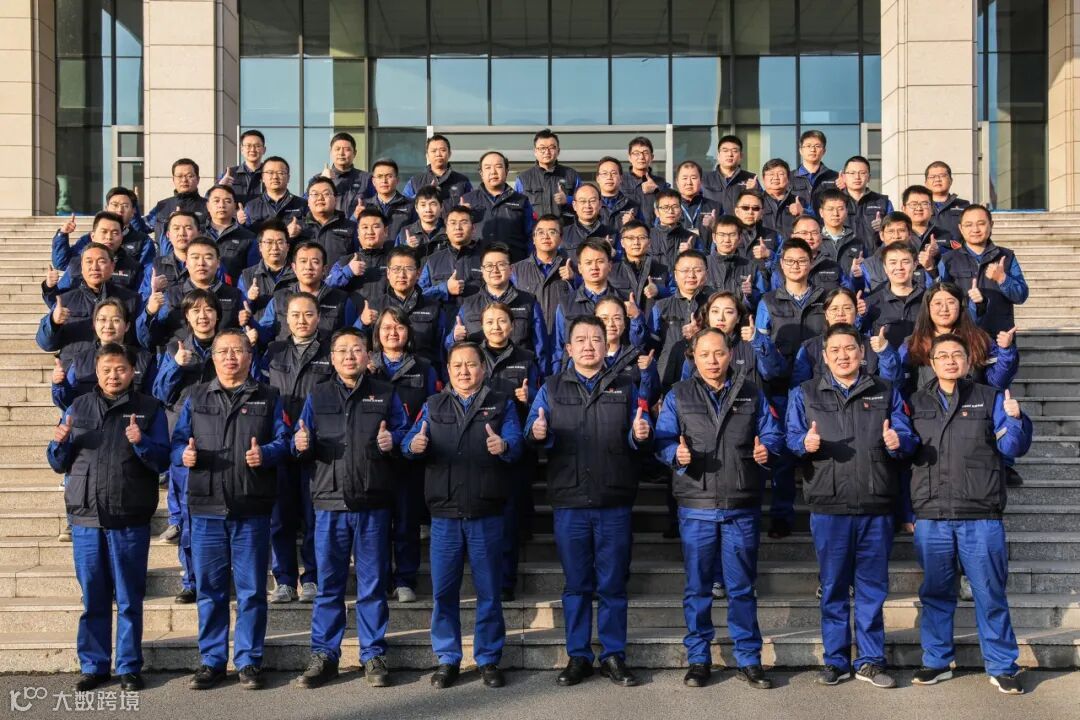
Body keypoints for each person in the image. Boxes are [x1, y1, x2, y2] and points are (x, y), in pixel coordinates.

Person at [786, 323, 917, 689]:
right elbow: (790, 437)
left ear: (862, 352)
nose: (843, 355)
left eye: (849, 349)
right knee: (833, 588)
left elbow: (906, 435)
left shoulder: (885, 390)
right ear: (824, 356)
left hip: (875, 506)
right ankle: (836, 660)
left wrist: (897, 441)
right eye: (835, 350)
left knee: (872, 589)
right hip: (829, 506)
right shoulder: (805, 393)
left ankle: (871, 660)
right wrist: (803, 444)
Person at [524, 315, 653, 688]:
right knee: (577, 584)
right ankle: (578, 655)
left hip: (613, 500)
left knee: (612, 584)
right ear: (568, 348)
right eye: (580, 340)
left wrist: (639, 435)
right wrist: (538, 432)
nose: (588, 346)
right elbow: (532, 430)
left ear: (606, 344)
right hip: (570, 501)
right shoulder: (551, 387)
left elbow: (638, 434)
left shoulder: (625, 386)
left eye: (595, 339)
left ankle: (613, 655)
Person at [654, 328, 783, 689]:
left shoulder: (751, 392)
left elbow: (772, 433)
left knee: (741, 588)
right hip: (696, 504)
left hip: (741, 503)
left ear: (731, 355)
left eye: (719, 353)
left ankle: (749, 658)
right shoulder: (678, 394)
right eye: (705, 354)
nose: (713, 361)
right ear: (693, 357)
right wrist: (674, 454)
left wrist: (767, 450)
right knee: (697, 588)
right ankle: (699, 659)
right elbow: (662, 440)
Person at [907, 333, 1031, 695]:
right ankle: (936, 661)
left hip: (981, 515)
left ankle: (1002, 665)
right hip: (932, 515)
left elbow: (1013, 446)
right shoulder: (915, 402)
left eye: (957, 355)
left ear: (968, 361)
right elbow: (903, 458)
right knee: (935, 593)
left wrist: (1016, 419)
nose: (950, 361)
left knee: (990, 594)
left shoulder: (989, 397)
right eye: (942, 355)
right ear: (931, 363)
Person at [171, 329, 291, 690]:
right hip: (206, 508)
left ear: (249, 357)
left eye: (237, 351)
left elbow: (284, 441)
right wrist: (183, 455)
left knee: (252, 590)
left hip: (251, 508)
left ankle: (249, 661)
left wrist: (265, 454)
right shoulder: (196, 397)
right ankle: (211, 660)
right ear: (213, 358)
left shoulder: (268, 396)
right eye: (222, 351)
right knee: (210, 590)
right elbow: (176, 443)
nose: (230, 357)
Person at [46, 343, 170, 693]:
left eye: (120, 369)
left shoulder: (149, 408)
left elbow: (162, 460)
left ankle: (129, 666)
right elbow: (57, 462)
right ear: (97, 372)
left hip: (129, 516)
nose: (113, 375)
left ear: (132, 372)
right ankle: (94, 666)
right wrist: (59, 443)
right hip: (86, 517)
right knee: (93, 597)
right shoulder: (78, 406)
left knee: (129, 598)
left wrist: (141, 441)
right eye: (106, 370)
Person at [291, 328, 409, 689]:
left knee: (372, 585)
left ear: (367, 355)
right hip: (329, 502)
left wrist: (393, 440)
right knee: (329, 585)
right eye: (342, 350)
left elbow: (406, 434)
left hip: (373, 501)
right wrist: (300, 444)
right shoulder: (318, 394)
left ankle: (373, 654)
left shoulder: (385, 393)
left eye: (356, 349)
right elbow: (300, 442)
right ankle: (325, 654)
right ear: (332, 357)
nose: (349, 356)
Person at [402, 342, 524, 690]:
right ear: (448, 370)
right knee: (444, 592)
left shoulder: (500, 403)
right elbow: (409, 441)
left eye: (470, 365)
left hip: (486, 511)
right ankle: (447, 658)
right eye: (457, 365)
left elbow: (516, 440)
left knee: (489, 592)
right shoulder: (433, 404)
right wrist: (413, 446)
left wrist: (504, 446)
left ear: (483, 369)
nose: (464, 371)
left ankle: (488, 658)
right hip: (445, 513)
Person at [257, 293, 333, 605]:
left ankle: (312, 577)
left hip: (317, 445)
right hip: (280, 442)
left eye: (308, 314)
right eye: (295, 315)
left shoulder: (330, 351)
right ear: (286, 319)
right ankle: (285, 580)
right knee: (280, 518)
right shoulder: (273, 351)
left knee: (313, 516)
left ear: (319, 317)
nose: (302, 320)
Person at [152, 290, 224, 603]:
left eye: (209, 309)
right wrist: (175, 366)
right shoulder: (175, 347)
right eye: (196, 310)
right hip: (186, 438)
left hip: (223, 435)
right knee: (188, 520)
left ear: (218, 314)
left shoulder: (229, 345)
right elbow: (159, 393)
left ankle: (219, 576)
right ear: (187, 316)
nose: (203, 316)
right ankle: (191, 580)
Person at [755, 238, 828, 538]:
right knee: (783, 457)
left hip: (820, 388)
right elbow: (760, 343)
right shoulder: (768, 301)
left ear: (811, 263)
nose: (796, 266)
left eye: (802, 260)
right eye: (790, 261)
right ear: (781, 265)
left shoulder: (825, 298)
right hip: (780, 389)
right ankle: (781, 516)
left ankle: (824, 514)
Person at [370, 307, 441, 602]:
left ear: (408, 332)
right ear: (377, 333)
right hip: (374, 458)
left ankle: (405, 580)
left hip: (410, 458)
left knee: (406, 522)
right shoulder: (368, 365)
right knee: (376, 526)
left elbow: (434, 407)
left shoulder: (424, 367)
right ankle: (380, 580)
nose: (393, 333)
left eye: (399, 327)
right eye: (386, 327)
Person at [477, 302, 541, 600]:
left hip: (514, 447)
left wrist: (529, 397)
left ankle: (505, 583)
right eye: (490, 321)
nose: (496, 327)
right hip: (477, 444)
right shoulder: (472, 355)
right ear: (482, 325)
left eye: (502, 321)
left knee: (510, 519)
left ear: (512, 326)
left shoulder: (526, 358)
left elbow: (543, 400)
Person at [449, 243, 547, 372]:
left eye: (501, 265)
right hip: (480, 375)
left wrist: (540, 378)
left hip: (518, 373)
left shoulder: (528, 301)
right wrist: (454, 337)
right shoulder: (468, 304)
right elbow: (450, 346)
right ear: (482, 271)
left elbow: (541, 347)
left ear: (511, 269)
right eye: (489, 266)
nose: (495, 270)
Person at [552, 238, 644, 372]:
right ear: (580, 268)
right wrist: (558, 377)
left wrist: (636, 318)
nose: (594, 267)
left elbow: (638, 345)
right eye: (588, 263)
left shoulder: (626, 301)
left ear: (610, 265)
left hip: (617, 373)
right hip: (576, 375)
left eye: (600, 261)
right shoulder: (566, 304)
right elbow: (558, 348)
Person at [136, 236, 241, 350]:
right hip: (179, 358)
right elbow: (148, 341)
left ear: (218, 263)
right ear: (186, 262)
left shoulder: (234, 295)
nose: (201, 263)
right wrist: (149, 313)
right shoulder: (171, 296)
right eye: (195, 257)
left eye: (208, 257)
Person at [938, 204, 1029, 336]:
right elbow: (939, 297)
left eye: (981, 224)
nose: (975, 229)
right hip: (962, 336)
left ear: (991, 225)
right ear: (961, 228)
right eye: (968, 225)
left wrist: (1003, 279)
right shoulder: (948, 259)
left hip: (1000, 338)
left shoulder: (1006, 256)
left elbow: (1021, 296)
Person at [53, 298, 157, 411]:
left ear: (127, 326)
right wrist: (59, 384)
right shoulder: (80, 360)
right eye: (102, 319)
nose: (108, 326)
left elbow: (154, 400)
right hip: (90, 420)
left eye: (116, 320)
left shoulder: (143, 359)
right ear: (94, 324)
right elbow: (68, 403)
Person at [36, 243, 142, 353]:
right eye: (89, 262)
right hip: (74, 363)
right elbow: (46, 344)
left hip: (115, 362)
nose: (94, 267)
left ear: (112, 266)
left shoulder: (131, 300)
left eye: (101, 261)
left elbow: (143, 340)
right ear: (82, 267)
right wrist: (53, 322)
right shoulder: (65, 300)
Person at [791, 288, 901, 388]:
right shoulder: (810, 347)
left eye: (847, 308)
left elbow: (891, 386)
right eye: (834, 309)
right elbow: (798, 388)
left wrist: (885, 352)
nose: (840, 314)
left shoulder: (873, 346)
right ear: (826, 314)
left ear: (856, 312)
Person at [256, 241, 358, 345]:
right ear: (294, 268)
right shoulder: (279, 299)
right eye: (303, 261)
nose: (308, 267)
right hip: (286, 355)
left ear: (324, 269)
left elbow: (351, 337)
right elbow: (264, 336)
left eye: (315, 262)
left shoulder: (342, 300)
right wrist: (250, 322)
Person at [362, 247, 447, 369]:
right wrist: (362, 323)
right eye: (396, 269)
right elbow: (359, 343)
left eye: (408, 269)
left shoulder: (433, 307)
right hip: (383, 374)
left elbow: (441, 348)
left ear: (418, 274)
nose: (402, 275)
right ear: (388, 273)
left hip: (422, 372)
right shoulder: (374, 306)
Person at [646, 249, 711, 389]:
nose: (691, 275)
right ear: (675, 275)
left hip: (707, 375)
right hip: (668, 375)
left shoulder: (715, 305)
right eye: (685, 270)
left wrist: (701, 333)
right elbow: (651, 345)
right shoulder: (661, 306)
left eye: (697, 270)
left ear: (706, 274)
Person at [52, 187, 154, 273]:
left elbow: (146, 274)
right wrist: (62, 234)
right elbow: (62, 264)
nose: (119, 210)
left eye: (125, 206)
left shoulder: (143, 241)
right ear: (106, 208)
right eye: (115, 205)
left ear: (133, 211)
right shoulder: (90, 239)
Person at [461, 151, 535, 262]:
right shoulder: (467, 200)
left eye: (498, 167)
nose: (493, 172)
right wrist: (462, 216)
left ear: (506, 171)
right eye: (488, 168)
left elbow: (531, 235)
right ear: (481, 173)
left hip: (514, 265)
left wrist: (529, 263)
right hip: (477, 265)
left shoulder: (521, 200)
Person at [54, 211, 144, 294]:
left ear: (121, 237)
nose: (109, 237)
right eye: (104, 232)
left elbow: (140, 300)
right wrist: (50, 289)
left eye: (115, 233)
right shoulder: (77, 264)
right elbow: (59, 298)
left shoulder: (133, 267)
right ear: (93, 236)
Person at [862, 242, 925, 350]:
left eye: (905, 262)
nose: (899, 267)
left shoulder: (928, 299)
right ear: (885, 267)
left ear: (915, 264)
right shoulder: (872, 302)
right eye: (893, 263)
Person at [419, 205, 485, 305]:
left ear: (473, 228)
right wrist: (445, 288)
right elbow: (419, 295)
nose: (458, 227)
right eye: (453, 223)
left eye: (464, 222)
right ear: (446, 229)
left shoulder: (486, 258)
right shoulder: (432, 261)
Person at [515, 128, 581, 224]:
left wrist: (568, 200)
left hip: (565, 230)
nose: (547, 152)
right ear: (535, 151)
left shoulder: (571, 175)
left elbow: (585, 201)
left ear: (558, 151)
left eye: (551, 148)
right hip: (535, 231)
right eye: (542, 148)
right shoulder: (523, 178)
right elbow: (516, 209)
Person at [138, 158, 208, 247]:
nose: (184, 180)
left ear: (198, 179)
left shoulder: (209, 206)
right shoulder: (162, 206)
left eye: (189, 176)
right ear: (173, 179)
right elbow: (141, 228)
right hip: (166, 256)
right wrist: (132, 206)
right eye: (179, 176)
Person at [608, 219, 672, 312]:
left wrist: (659, 290)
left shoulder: (663, 270)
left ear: (649, 243)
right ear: (622, 243)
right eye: (630, 238)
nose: (636, 242)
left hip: (654, 321)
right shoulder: (611, 270)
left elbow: (676, 294)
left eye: (642, 238)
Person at [325, 208, 390, 299]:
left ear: (385, 231)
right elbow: (325, 287)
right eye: (365, 227)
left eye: (375, 227)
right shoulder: (345, 261)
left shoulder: (394, 261)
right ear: (358, 233)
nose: (370, 232)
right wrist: (348, 271)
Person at [237, 220, 296, 318]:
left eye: (280, 242)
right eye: (269, 242)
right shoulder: (247, 275)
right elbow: (239, 311)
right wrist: (249, 298)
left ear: (288, 247)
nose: (275, 247)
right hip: (258, 327)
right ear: (260, 247)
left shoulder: (298, 273)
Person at [296, 176, 359, 265]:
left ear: (335, 199)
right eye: (315, 194)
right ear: (308, 201)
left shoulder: (351, 227)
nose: (320, 198)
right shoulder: (297, 228)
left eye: (326, 194)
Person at [308, 132, 372, 216]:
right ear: (330, 152)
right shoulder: (317, 179)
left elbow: (377, 203)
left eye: (346, 149)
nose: (341, 153)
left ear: (355, 153)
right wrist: (323, 180)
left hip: (357, 223)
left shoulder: (367, 179)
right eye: (337, 149)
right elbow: (306, 204)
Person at [204, 184, 259, 284]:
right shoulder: (197, 233)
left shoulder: (248, 238)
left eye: (227, 201)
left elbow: (252, 273)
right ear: (208, 206)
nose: (221, 205)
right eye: (216, 201)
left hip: (234, 291)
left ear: (234, 206)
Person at [402, 134, 473, 210]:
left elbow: (473, 204)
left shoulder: (462, 181)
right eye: (433, 151)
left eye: (442, 150)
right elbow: (404, 206)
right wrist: (423, 194)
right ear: (427, 155)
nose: (438, 154)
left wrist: (467, 210)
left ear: (449, 154)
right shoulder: (415, 182)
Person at [838, 156, 893, 250]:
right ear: (844, 177)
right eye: (852, 173)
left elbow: (894, 231)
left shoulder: (883, 202)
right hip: (842, 256)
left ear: (869, 177)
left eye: (862, 173)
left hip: (876, 256)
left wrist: (884, 226)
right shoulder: (834, 202)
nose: (857, 177)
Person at [239, 156, 306, 230]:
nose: (275, 177)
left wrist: (300, 231)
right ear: (262, 177)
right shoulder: (251, 207)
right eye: (270, 173)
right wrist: (240, 223)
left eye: (280, 173)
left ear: (288, 178)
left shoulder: (302, 204)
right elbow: (244, 234)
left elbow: (312, 230)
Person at [363, 158, 416, 243]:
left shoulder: (411, 205)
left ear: (397, 180)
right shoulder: (364, 206)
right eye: (380, 176)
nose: (384, 181)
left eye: (389, 176)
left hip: (400, 251)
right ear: (373, 181)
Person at [758, 158, 811, 240]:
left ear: (788, 178)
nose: (776, 177)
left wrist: (803, 212)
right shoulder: (756, 201)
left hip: (792, 246)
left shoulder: (800, 201)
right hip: (764, 246)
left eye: (781, 174)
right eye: (771, 174)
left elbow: (815, 225)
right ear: (763, 178)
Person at [621, 136, 669, 225]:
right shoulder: (621, 181)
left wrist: (656, 191)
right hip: (627, 230)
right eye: (636, 153)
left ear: (652, 157)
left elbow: (669, 206)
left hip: (653, 231)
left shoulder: (661, 183)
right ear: (629, 157)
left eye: (645, 153)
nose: (641, 157)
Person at [649, 188, 699, 268]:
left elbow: (703, 263)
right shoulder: (647, 236)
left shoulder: (692, 237)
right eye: (665, 207)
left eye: (675, 207)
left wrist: (691, 253)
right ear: (657, 212)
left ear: (681, 211)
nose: (670, 211)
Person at [702, 134, 756, 209]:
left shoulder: (750, 178)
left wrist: (754, 191)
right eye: (725, 151)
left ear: (741, 156)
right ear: (718, 155)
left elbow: (760, 206)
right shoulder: (705, 178)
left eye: (734, 151)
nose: (730, 154)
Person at [561, 183, 615, 256]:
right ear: (574, 205)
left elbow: (624, 261)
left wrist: (612, 255)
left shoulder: (613, 234)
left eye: (592, 201)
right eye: (582, 201)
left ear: (600, 204)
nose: (587, 206)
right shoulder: (562, 234)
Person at [396, 185, 447, 261]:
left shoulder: (449, 231)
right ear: (416, 208)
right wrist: (407, 249)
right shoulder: (405, 232)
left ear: (441, 207)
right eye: (423, 205)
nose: (428, 210)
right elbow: (395, 261)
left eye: (433, 204)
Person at [673, 161, 722, 240]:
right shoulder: (668, 208)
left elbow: (727, 234)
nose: (689, 182)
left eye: (693, 178)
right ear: (677, 182)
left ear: (701, 181)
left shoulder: (716, 207)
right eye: (684, 178)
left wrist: (714, 226)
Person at [217, 129, 266, 205]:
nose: (252, 149)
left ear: (264, 150)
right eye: (248, 146)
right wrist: (220, 186)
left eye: (257, 146)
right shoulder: (230, 173)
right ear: (242, 149)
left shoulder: (270, 173)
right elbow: (210, 199)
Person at [924, 161, 970, 241]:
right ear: (926, 183)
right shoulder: (920, 207)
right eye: (932, 177)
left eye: (942, 176)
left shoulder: (964, 205)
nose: (937, 179)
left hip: (956, 248)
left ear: (951, 180)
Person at [594, 156, 641, 234]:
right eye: (605, 173)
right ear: (598, 179)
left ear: (621, 178)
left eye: (614, 173)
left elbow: (643, 234)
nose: (609, 177)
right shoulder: (590, 205)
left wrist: (633, 225)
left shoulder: (633, 206)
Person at [794, 129, 840, 204]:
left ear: (824, 151)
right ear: (801, 151)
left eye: (817, 146)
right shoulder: (789, 178)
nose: (812, 150)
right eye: (808, 146)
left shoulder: (835, 177)